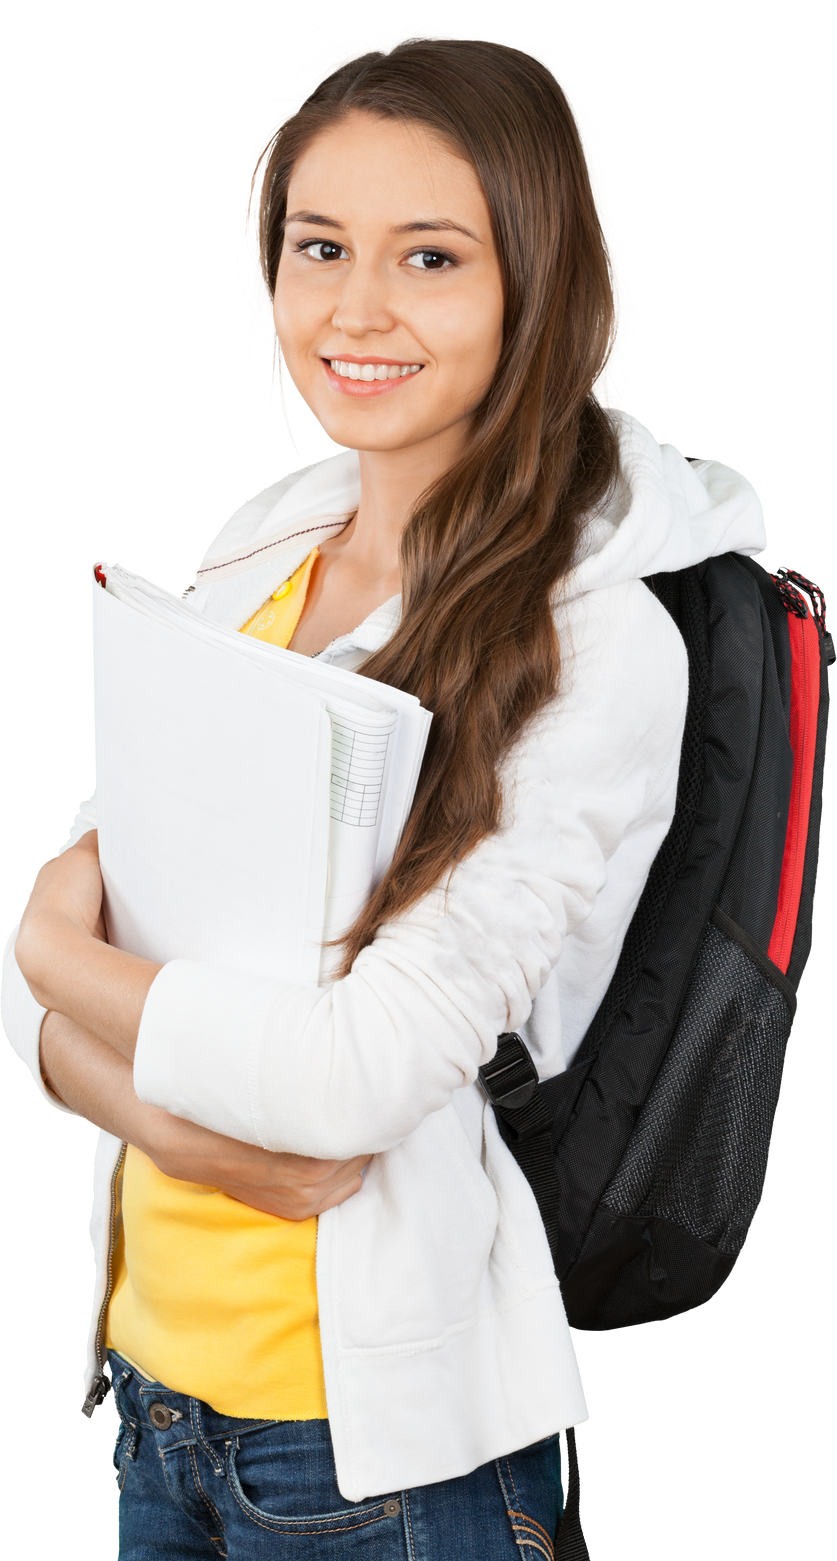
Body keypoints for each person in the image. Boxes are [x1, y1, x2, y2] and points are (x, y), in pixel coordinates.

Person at [1, 35, 766, 1561]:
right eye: (318, 248)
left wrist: (48, 959)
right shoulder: (263, 544)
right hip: (149, 1393)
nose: (356, 310)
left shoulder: (597, 636)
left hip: (372, 1465)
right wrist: (182, 1110)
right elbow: (49, 985)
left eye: (430, 256)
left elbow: (345, 1088)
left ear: (533, 281)